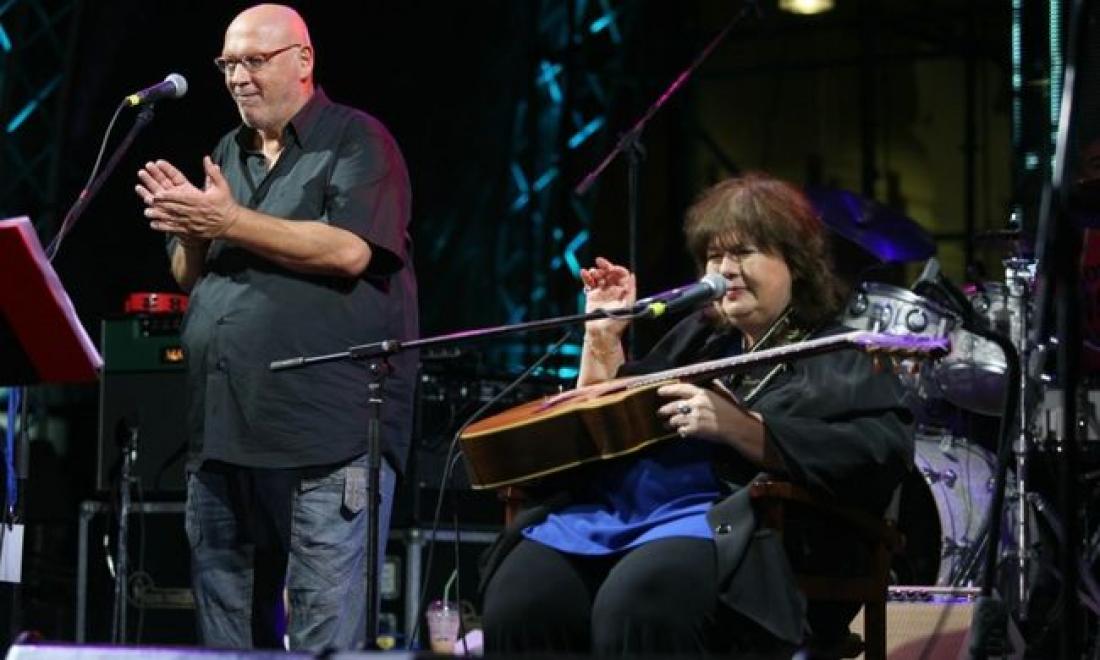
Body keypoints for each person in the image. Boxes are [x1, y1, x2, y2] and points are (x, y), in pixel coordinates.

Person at [479, 173, 914, 655]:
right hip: (624, 514)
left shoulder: (839, 353)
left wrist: (742, 430)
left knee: (639, 602)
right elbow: (609, 425)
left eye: (744, 252)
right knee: (522, 600)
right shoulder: (699, 338)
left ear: (796, 263)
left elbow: (879, 452)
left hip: (729, 527)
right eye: (714, 255)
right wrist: (602, 336)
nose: (725, 270)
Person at [134, 4, 417, 651]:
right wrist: (190, 229)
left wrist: (228, 221)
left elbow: (351, 250)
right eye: (228, 63)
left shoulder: (356, 140)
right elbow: (189, 276)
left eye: (254, 61)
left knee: (322, 638)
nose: (238, 77)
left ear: (303, 60)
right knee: (229, 639)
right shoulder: (226, 152)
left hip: (324, 437)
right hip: (224, 433)